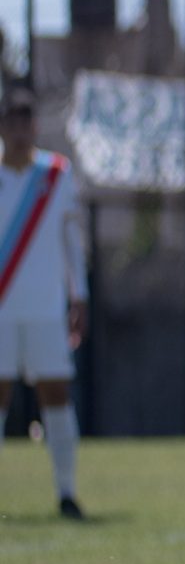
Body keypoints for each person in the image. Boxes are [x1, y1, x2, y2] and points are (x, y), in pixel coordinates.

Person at [0, 87, 87, 519]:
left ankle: (67, 493)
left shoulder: (56, 174)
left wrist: (80, 295)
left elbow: (71, 241)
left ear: (35, 127)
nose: (18, 132)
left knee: (56, 395)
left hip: (46, 309)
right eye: (10, 123)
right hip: (1, 310)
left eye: (25, 122)